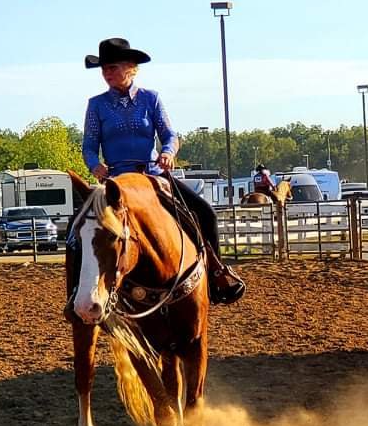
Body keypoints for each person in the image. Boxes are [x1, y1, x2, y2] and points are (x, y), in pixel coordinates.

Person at [81, 37, 245, 304]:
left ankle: (216, 274)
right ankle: (78, 292)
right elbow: (88, 145)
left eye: (112, 67)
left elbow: (170, 134)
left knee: (205, 213)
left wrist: (168, 153)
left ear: (130, 67)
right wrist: (94, 165)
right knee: (82, 232)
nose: (106, 74)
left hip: (153, 175)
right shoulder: (96, 104)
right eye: (104, 69)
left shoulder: (150, 98)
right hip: (118, 181)